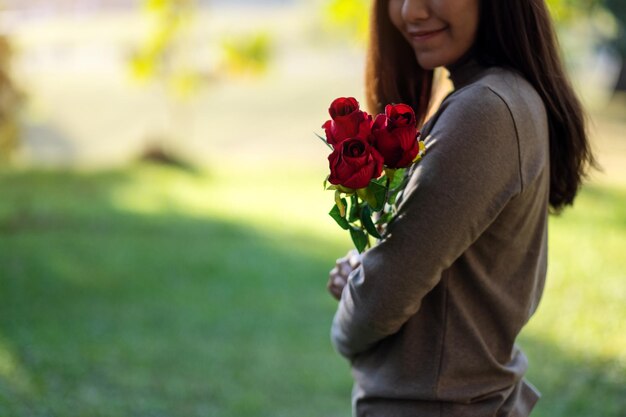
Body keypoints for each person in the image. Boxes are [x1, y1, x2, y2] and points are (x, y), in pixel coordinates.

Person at [327, 0, 595, 416]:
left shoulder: (485, 111)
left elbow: (383, 296)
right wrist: (367, 269)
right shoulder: (500, 97)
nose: (410, 12)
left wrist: (351, 307)